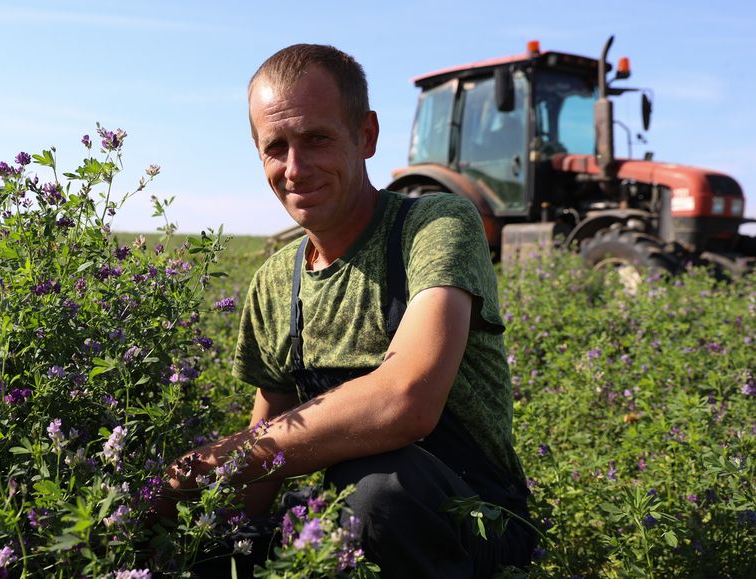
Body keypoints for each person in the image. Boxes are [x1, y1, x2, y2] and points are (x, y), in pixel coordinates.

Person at [162, 43, 536, 578]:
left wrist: (210, 463)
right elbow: (266, 451)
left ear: (366, 136)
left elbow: (407, 401)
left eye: (316, 138)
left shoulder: (433, 226)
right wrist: (202, 538)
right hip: (348, 528)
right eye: (276, 147)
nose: (295, 168)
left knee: (379, 491)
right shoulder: (276, 282)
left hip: (474, 524)